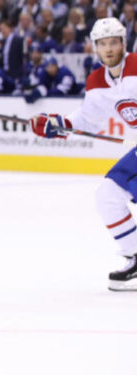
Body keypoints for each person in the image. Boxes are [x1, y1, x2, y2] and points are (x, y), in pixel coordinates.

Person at [28, 18, 137, 291]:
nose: (109, 48)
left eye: (114, 42)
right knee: (108, 194)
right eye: (103, 44)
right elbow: (88, 120)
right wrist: (58, 124)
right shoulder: (97, 81)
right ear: (95, 48)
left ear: (123, 44)